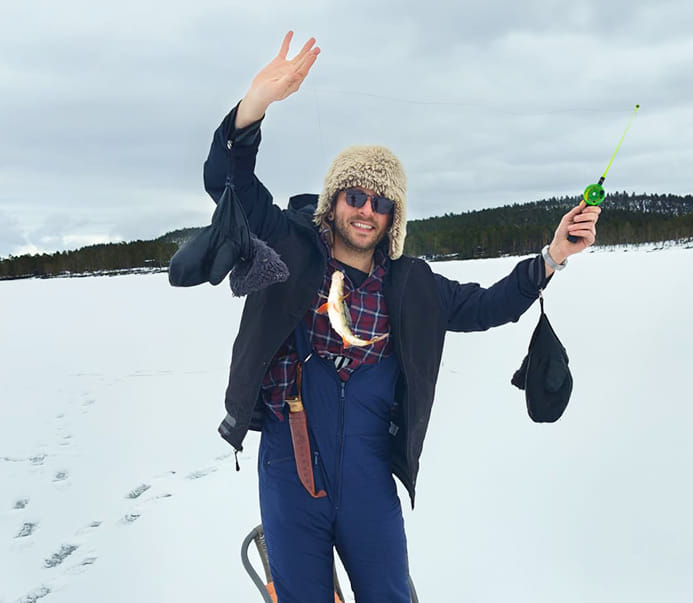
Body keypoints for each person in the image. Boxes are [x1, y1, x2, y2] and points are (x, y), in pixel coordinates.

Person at [205, 32, 600, 603]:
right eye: (355, 197)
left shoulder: (411, 285)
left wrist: (553, 256)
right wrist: (255, 106)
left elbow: (488, 305)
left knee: (390, 593)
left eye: (382, 203)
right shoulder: (286, 248)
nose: (367, 210)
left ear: (394, 217)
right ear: (333, 202)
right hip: (291, 467)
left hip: (369, 474)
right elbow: (228, 184)